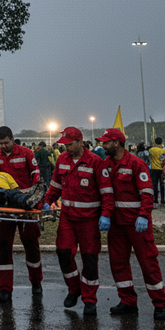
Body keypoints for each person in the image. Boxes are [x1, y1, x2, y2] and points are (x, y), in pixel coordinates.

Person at [42, 127, 114, 316]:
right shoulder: (62, 160)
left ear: (80, 142)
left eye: (69, 144)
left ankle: (90, 299)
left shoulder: (95, 162)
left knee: (90, 259)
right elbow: (55, 185)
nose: (66, 147)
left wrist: (106, 214)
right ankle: (74, 289)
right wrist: (47, 201)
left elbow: (106, 192)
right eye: (64, 144)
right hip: (67, 217)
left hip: (89, 219)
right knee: (63, 253)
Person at [98, 129, 165, 321]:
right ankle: (127, 301)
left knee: (148, 263)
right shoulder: (106, 164)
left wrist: (144, 215)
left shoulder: (136, 164)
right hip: (116, 224)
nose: (103, 146)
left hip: (137, 224)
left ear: (117, 143)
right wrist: (105, 215)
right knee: (118, 263)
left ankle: (160, 303)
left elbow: (147, 193)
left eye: (106, 143)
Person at [0, 126, 43, 303]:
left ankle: (36, 283)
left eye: (5, 143)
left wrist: (35, 201)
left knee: (31, 244)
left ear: (13, 139)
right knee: (3, 247)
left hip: (25, 207)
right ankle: (4, 289)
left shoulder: (27, 153)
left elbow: (36, 178)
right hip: (4, 208)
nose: (2, 147)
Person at [149, 137, 165, 208]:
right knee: (162, 185)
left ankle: (155, 201)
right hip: (162, 169)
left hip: (153, 169)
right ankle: (163, 200)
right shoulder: (164, 150)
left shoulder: (151, 150)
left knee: (154, 185)